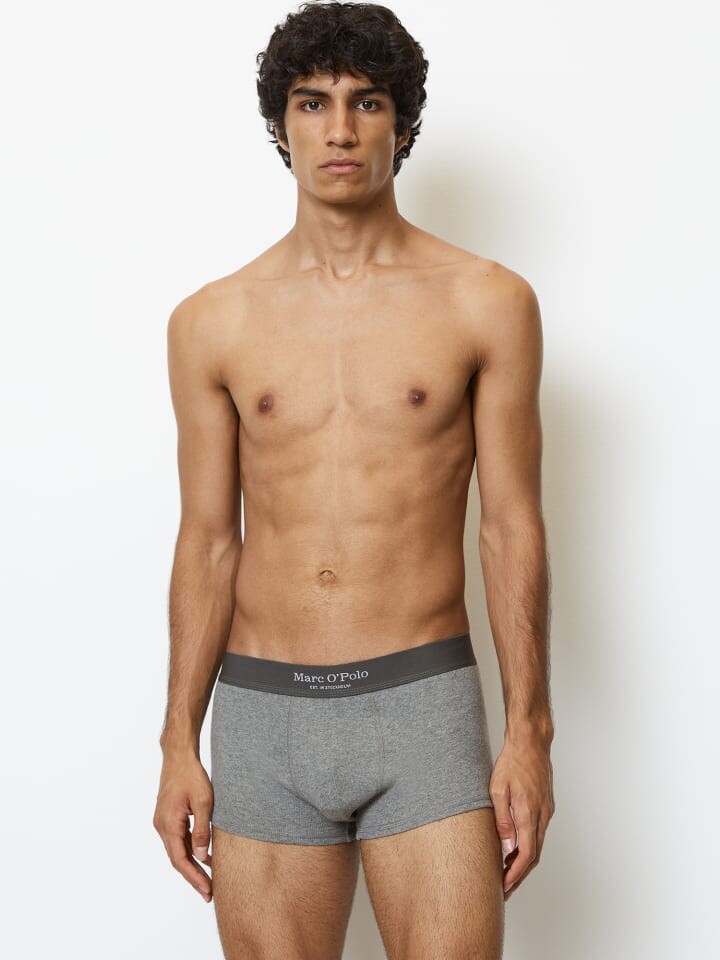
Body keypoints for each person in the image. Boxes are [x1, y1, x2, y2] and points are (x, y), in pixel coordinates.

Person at [153, 2, 555, 957]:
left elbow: (510, 527)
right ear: (280, 123)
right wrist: (177, 741)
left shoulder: (486, 302)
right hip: (263, 717)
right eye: (312, 102)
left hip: (422, 706)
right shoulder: (211, 321)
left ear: (402, 124)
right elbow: (207, 541)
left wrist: (530, 734)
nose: (339, 129)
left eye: (366, 102)